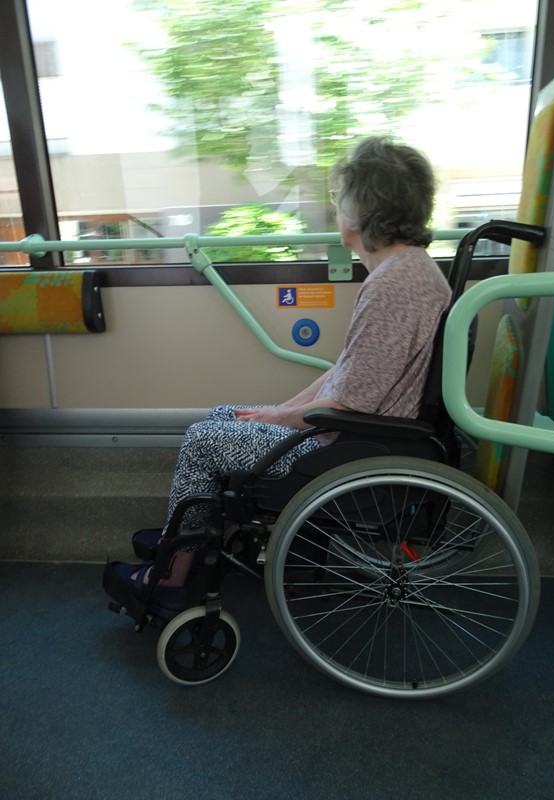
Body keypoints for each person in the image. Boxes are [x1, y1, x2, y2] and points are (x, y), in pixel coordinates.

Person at [114, 135, 452, 602]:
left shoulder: (393, 286)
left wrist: (279, 419)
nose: (336, 206)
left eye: (340, 197)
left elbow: (348, 401)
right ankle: (188, 537)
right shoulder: (407, 272)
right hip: (361, 435)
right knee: (224, 416)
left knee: (202, 439)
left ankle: (171, 575)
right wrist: (279, 409)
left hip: (352, 449)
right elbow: (347, 371)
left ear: (361, 210)